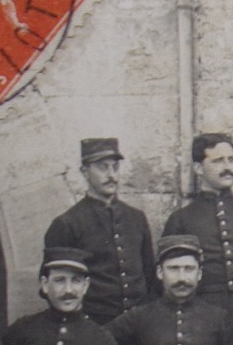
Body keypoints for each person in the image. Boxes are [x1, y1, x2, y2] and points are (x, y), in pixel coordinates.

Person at [43, 138, 157, 323]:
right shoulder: (67, 224)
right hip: (94, 324)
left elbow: (150, 275)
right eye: (103, 167)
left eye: (115, 167)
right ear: (85, 172)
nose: (111, 175)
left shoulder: (136, 218)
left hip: (138, 324)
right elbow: (52, 287)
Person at [162, 133, 233, 329]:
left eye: (231, 160)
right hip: (202, 315)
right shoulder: (181, 219)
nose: (228, 167)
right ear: (198, 168)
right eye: (218, 161)